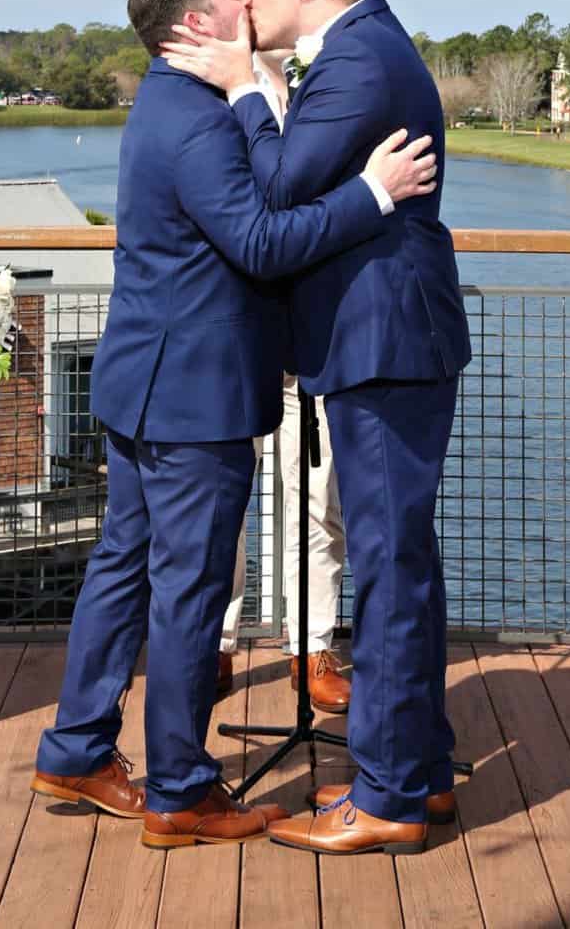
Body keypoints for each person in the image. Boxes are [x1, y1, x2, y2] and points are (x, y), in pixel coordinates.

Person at [32, 0, 437, 851]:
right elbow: (260, 241)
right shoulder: (202, 122)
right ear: (195, 24)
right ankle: (179, 789)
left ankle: (77, 745)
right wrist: (374, 193)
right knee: (189, 586)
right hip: (195, 396)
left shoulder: (165, 101)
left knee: (123, 565)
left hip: (142, 377)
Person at [163, 0, 472, 856]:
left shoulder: (357, 61)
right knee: (399, 562)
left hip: (385, 341)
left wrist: (246, 92)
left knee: (386, 569)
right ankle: (417, 771)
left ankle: (385, 800)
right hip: (383, 339)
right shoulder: (361, 53)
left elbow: (279, 190)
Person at [218, 45, 350, 714]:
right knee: (224, 505)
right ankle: (215, 644)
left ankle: (311, 645)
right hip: (235, 339)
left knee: (318, 502)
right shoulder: (215, 97)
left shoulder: (318, 94)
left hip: (307, 337)